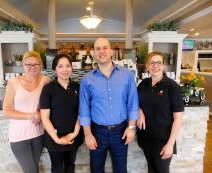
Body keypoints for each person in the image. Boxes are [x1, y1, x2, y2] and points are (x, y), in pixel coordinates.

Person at [79, 37, 139, 173]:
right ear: (93, 53)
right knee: (96, 169)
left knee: (121, 169)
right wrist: (87, 134)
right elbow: (84, 109)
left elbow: (133, 103)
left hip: (121, 131)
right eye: (98, 48)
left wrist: (131, 127)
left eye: (105, 47)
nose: (102, 51)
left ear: (111, 51)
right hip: (97, 132)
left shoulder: (126, 75)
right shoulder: (87, 79)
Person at [136, 51, 184, 173]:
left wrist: (170, 144)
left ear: (163, 65)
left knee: (162, 170)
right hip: (145, 138)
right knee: (151, 169)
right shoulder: (143, 84)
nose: (155, 66)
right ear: (147, 66)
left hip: (163, 140)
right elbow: (133, 102)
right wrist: (139, 111)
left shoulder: (172, 86)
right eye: (152, 63)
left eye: (159, 63)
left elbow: (178, 118)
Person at [3, 51, 50, 173]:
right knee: (31, 170)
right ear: (23, 65)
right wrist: (31, 115)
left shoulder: (45, 80)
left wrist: (40, 112)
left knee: (34, 169)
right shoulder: (14, 82)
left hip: (38, 134)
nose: (32, 67)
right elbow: (7, 111)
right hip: (19, 136)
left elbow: (48, 103)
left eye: (36, 64)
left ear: (40, 65)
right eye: (29, 64)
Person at [40, 54, 83, 173]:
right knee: (57, 168)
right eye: (60, 66)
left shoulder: (78, 87)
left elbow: (81, 113)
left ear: (71, 68)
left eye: (68, 66)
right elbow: (45, 118)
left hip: (73, 136)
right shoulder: (48, 89)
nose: (65, 69)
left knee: (70, 166)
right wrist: (57, 139)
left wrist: (74, 133)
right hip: (54, 138)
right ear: (55, 69)